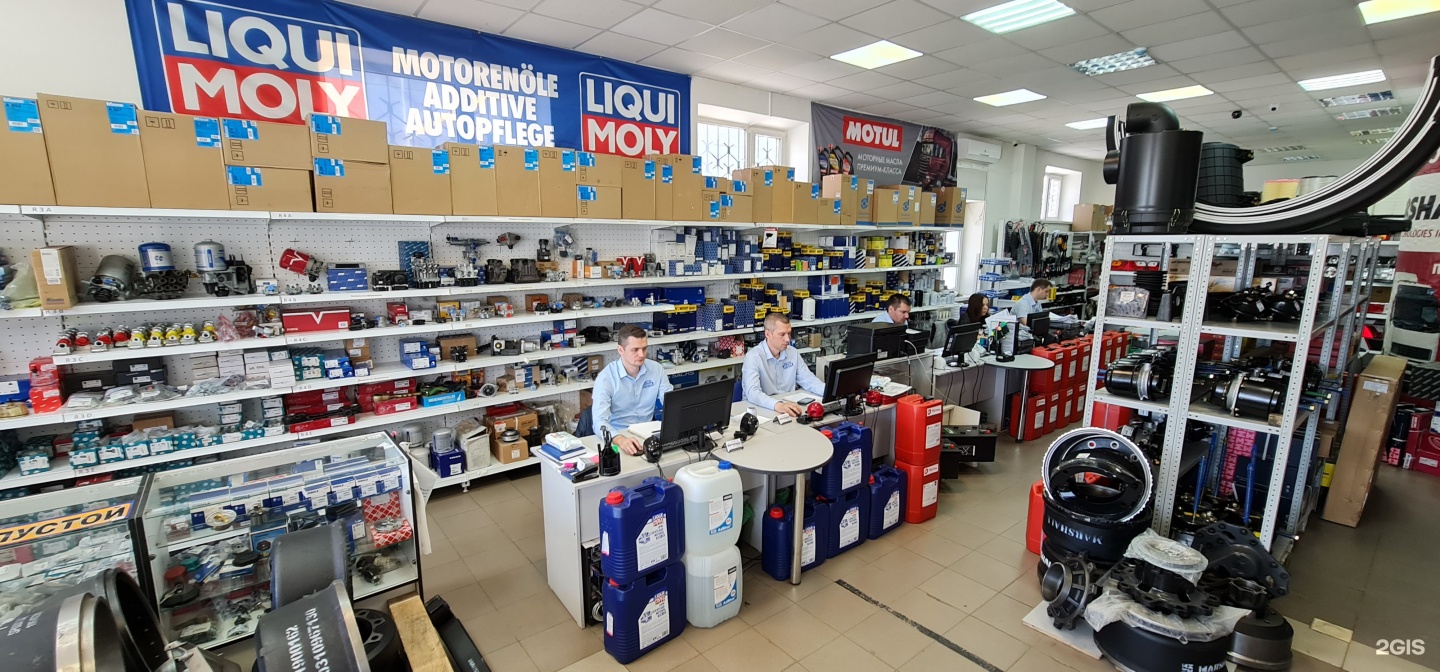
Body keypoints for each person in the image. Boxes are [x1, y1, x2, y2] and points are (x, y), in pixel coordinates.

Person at [591, 324, 673, 455]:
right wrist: (619, 439)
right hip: (619, 435)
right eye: (635, 350)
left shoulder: (656, 369)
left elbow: (671, 401)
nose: (642, 354)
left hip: (648, 434)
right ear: (620, 350)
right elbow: (599, 421)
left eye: (644, 348)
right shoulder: (606, 379)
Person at [742, 313, 826, 416]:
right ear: (768, 334)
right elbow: (753, 393)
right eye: (782, 334)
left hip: (787, 407)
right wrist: (777, 405)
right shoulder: (753, 357)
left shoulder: (792, 352)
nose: (787, 339)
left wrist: (830, 392)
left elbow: (809, 380)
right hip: (760, 410)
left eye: (789, 334)